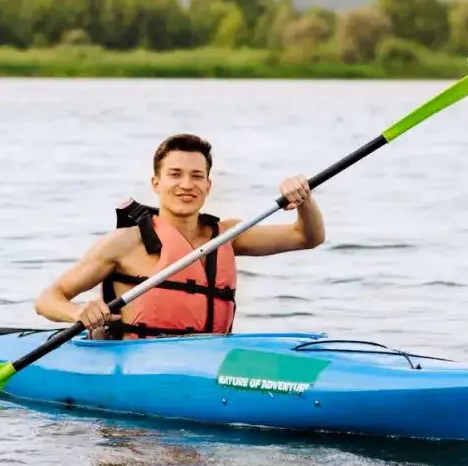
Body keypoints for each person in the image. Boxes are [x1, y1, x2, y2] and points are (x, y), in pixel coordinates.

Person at [34, 133, 325, 339]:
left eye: (197, 176)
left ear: (208, 185)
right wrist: (78, 312)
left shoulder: (227, 235)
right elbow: (48, 299)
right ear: (156, 183)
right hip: (133, 366)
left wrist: (304, 200)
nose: (187, 185)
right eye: (175, 174)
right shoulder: (125, 242)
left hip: (204, 362)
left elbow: (306, 237)